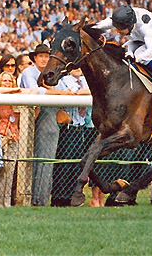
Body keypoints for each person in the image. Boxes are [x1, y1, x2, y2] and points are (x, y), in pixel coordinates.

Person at [20, 44, 74, 206]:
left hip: (50, 119)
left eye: (46, 56)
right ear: (34, 58)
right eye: (41, 56)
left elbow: (70, 90)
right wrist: (61, 93)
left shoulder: (54, 71)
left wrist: (61, 93)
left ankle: (41, 198)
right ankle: (31, 198)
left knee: (47, 160)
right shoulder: (28, 72)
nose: (44, 59)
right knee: (31, 161)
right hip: (31, 120)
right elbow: (35, 92)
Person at [95, 5, 152, 96]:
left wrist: (137, 58)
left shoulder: (145, 28)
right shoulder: (123, 19)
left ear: (130, 26)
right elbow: (102, 25)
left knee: (140, 54)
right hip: (138, 40)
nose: (117, 32)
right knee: (124, 50)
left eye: (120, 29)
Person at [51, 68, 91, 207]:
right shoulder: (63, 80)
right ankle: (59, 196)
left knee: (76, 163)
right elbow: (70, 94)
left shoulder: (86, 80)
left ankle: (71, 196)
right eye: (74, 66)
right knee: (64, 162)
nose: (78, 69)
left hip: (81, 126)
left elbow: (89, 91)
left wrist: (80, 92)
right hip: (68, 126)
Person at [0, 73, 21, 206]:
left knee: (10, 170)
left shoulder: (18, 98)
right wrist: (11, 90)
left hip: (13, 136)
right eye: (4, 81)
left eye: (10, 81)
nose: (7, 83)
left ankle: (6, 202)